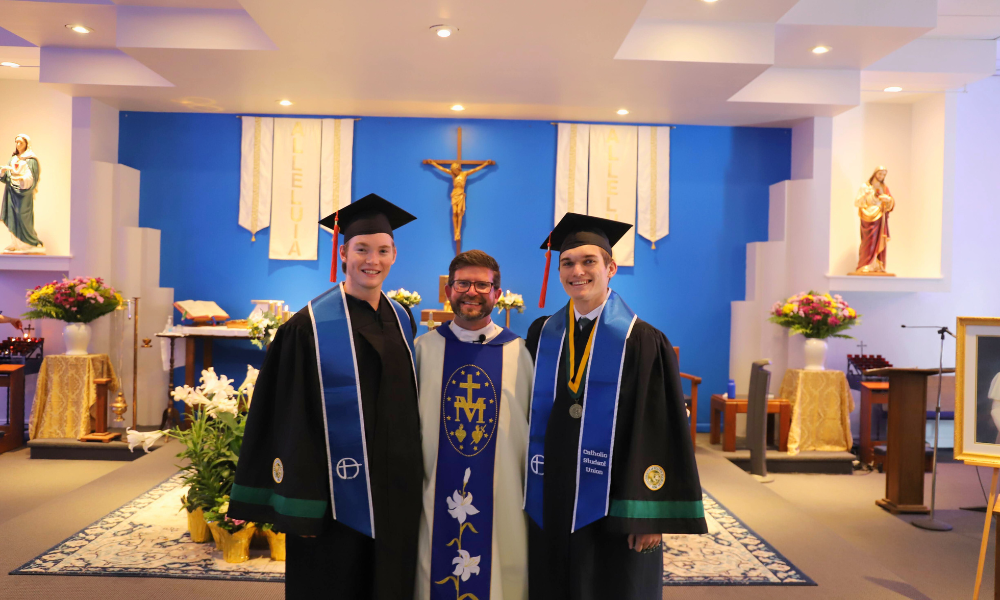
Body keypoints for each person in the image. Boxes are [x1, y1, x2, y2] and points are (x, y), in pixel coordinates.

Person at [229, 193, 423, 599]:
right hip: (334, 491)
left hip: (396, 488)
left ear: (394, 255)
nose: (373, 260)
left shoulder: (402, 317)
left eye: (382, 250)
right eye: (362, 249)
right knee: (333, 582)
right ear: (343, 252)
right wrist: (302, 498)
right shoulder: (309, 326)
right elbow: (289, 416)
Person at [524, 212, 707, 600]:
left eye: (589, 261)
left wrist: (648, 514)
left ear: (611, 267)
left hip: (614, 503)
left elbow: (656, 430)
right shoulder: (542, 334)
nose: (577, 271)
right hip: (551, 493)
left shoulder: (641, 340)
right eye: (568, 263)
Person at [413, 250, 532, 600]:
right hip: (435, 490)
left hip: (503, 496)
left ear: (497, 293)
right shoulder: (422, 350)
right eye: (463, 283)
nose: (472, 292)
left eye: (483, 284)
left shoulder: (519, 353)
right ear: (448, 290)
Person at [0, 134, 44, 254]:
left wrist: (23, 179)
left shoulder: (31, 159)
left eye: (21, 143)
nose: (18, 145)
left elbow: (33, 177)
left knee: (22, 215)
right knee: (12, 215)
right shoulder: (13, 158)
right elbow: (6, 177)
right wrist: (3, 172)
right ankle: (15, 243)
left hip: (24, 193)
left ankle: (28, 243)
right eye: (16, 142)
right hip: (11, 192)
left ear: (26, 144)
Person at [854, 166, 894, 274]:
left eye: (883, 175)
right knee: (868, 241)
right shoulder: (865, 187)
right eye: (880, 174)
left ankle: (877, 265)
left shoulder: (884, 188)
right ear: (875, 173)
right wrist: (865, 196)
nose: (881, 176)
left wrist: (888, 199)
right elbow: (857, 202)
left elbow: (891, 203)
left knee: (878, 240)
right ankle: (865, 264)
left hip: (880, 217)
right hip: (868, 217)